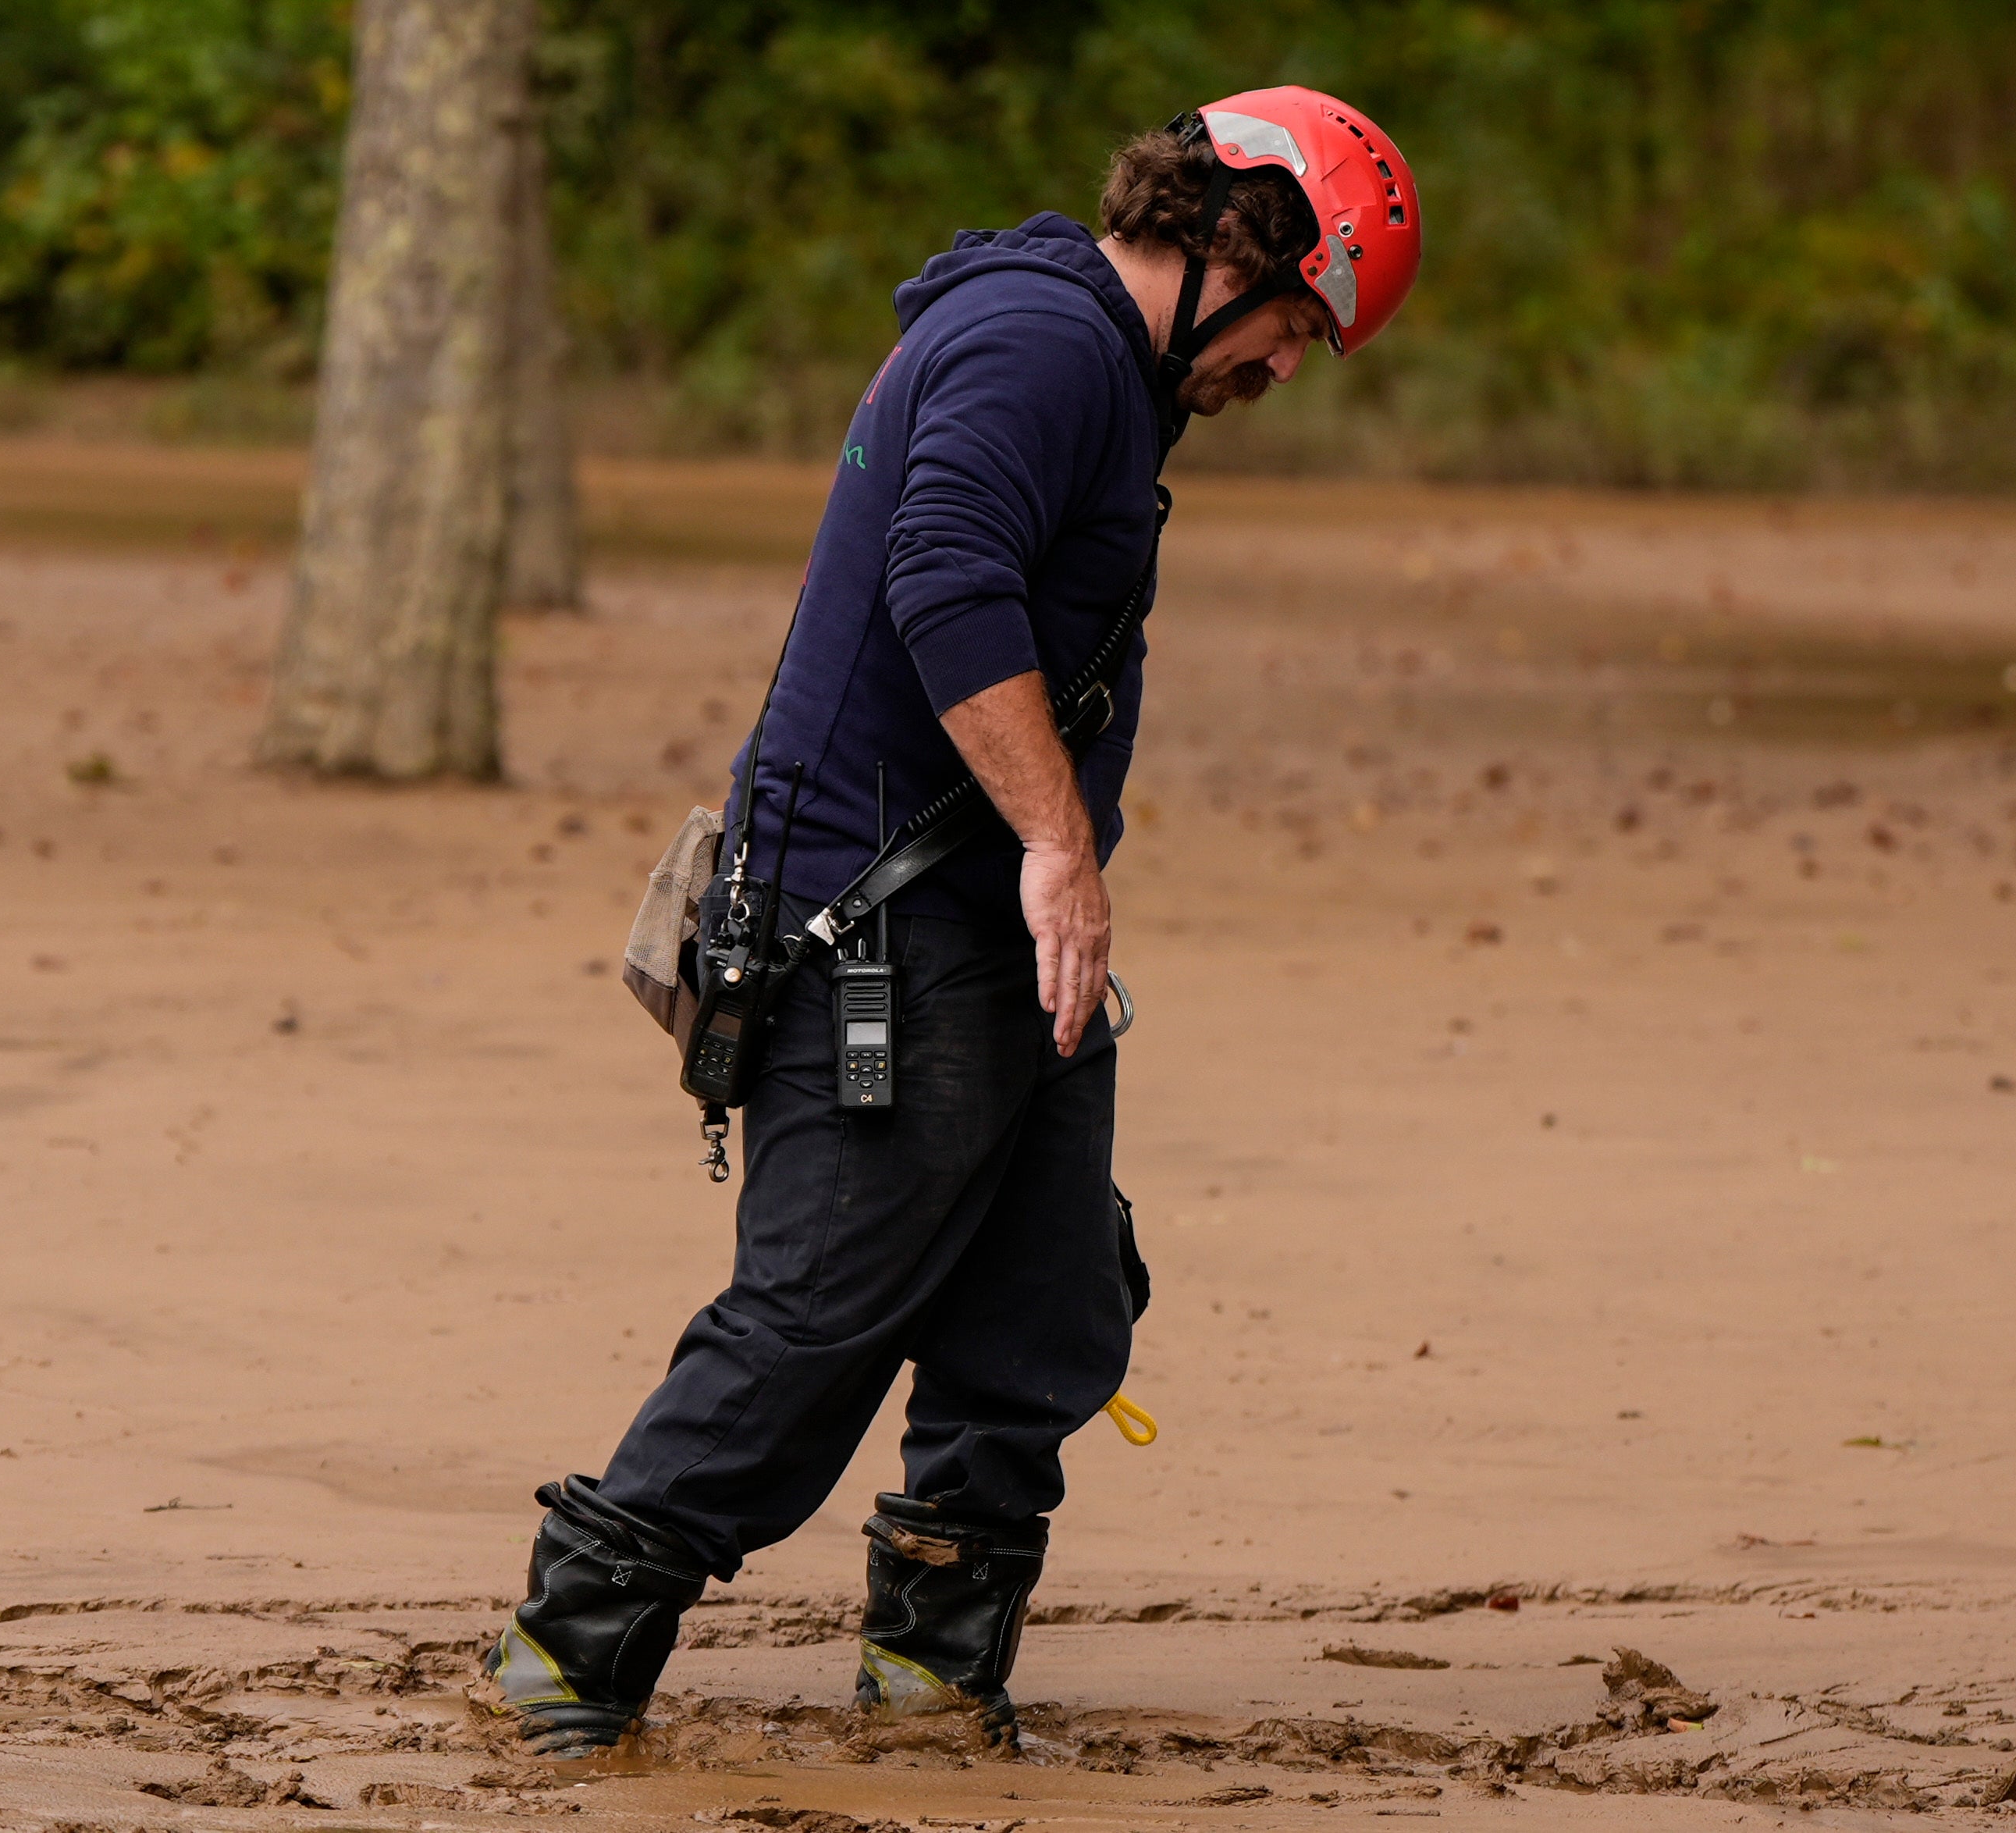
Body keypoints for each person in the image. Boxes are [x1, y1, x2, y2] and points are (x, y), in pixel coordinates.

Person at [484, 87, 1424, 1758]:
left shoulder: (1096, 368)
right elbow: (944, 575)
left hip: (995, 930)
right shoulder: (1039, 344)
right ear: (1239, 245)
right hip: (878, 925)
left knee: (1048, 1304)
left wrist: (1052, 872)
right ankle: (566, 1660)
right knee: (816, 1316)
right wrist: (1059, 841)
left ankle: (931, 1681)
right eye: (1295, 327)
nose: (1286, 370)